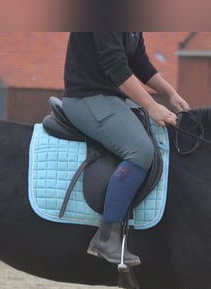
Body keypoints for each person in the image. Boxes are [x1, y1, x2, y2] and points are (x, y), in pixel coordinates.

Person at [62, 32, 190, 267]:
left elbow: (140, 62)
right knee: (140, 150)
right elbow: (116, 67)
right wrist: (152, 106)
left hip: (114, 98)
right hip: (86, 98)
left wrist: (171, 94)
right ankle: (106, 236)